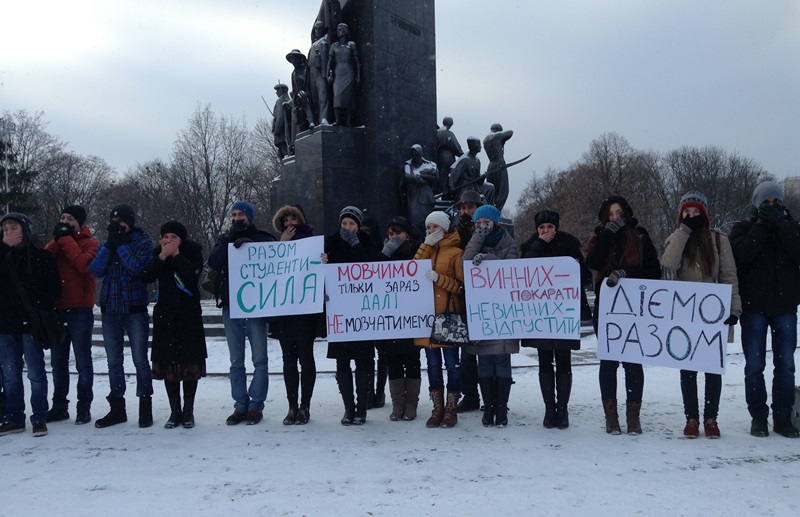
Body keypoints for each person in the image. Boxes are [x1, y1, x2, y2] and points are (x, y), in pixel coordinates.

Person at [661, 193, 741, 438]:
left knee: (712, 369)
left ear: (704, 214)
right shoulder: (676, 237)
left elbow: (729, 275)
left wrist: (734, 309)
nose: (692, 216)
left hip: (712, 314)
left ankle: (711, 418)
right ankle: (691, 418)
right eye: (687, 212)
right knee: (687, 369)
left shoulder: (718, 240)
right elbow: (669, 263)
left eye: (696, 212)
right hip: (686, 314)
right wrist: (684, 231)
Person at [729, 181, 800, 438]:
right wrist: (761, 227)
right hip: (753, 306)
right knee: (754, 364)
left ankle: (783, 417)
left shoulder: (792, 228)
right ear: (757, 204)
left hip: (784, 306)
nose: (771, 206)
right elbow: (742, 256)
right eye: (766, 202)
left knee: (786, 365)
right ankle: (758, 416)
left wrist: (782, 225)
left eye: (776, 202)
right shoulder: (743, 228)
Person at [584, 196, 660, 434]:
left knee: (633, 363)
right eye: (610, 214)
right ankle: (611, 417)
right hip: (607, 309)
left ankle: (633, 417)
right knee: (608, 362)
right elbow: (593, 263)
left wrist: (626, 273)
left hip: (633, 307)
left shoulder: (640, 238)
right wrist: (607, 234)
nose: (615, 218)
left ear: (627, 213)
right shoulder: (599, 238)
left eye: (619, 213)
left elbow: (654, 272)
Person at [520, 209, 591, 429]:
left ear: (556, 227)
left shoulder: (569, 245)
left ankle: (563, 409)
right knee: (544, 362)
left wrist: (577, 269)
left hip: (563, 314)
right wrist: (539, 244)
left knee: (563, 362)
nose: (546, 231)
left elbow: (587, 277)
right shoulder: (530, 247)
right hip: (540, 315)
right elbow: (525, 272)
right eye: (542, 227)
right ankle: (549, 410)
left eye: (549, 227)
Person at [208, 200, 276, 426]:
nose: (237, 218)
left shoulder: (263, 237)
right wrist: (229, 239)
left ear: (250, 216)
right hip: (231, 305)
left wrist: (251, 244)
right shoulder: (224, 238)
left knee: (260, 359)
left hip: (256, 305)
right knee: (236, 360)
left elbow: (275, 257)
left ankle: (256, 404)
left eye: (241, 215)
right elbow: (214, 262)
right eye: (233, 215)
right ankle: (240, 404)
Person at [89, 204, 155, 428]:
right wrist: (110, 245)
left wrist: (122, 245)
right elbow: (96, 270)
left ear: (130, 222)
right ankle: (117, 407)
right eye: (113, 222)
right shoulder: (108, 243)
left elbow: (137, 268)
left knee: (140, 360)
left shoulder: (143, 242)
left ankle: (145, 406)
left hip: (134, 309)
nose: (117, 226)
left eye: (121, 222)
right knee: (113, 362)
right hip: (110, 310)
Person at [141, 221, 207, 429]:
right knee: (168, 362)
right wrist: (161, 256)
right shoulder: (157, 255)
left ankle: (188, 410)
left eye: (173, 237)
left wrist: (176, 254)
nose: (168, 241)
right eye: (165, 237)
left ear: (181, 240)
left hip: (188, 315)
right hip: (166, 315)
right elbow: (147, 276)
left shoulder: (192, 252)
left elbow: (191, 276)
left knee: (189, 362)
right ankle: (174, 410)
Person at [0, 213, 61, 437]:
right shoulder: (2, 256)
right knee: (10, 375)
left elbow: (54, 289)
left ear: (25, 229)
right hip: (5, 326)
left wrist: (38, 308)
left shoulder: (40, 257)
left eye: (12, 227)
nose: (8, 232)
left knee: (36, 373)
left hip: (31, 324)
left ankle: (39, 417)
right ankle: (14, 418)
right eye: (4, 229)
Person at [462, 205, 520, 427]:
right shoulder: (476, 240)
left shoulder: (508, 242)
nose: (481, 226)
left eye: (485, 222)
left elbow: (511, 270)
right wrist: (478, 237)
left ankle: (501, 408)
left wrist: (488, 259)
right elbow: (465, 262)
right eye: (477, 224)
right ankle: (488, 408)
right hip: (483, 312)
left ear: (496, 222)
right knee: (484, 361)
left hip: (503, 312)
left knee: (502, 360)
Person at [43, 205, 99, 425]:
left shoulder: (92, 244)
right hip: (57, 309)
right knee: (58, 362)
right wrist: (58, 240)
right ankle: (59, 406)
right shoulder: (57, 244)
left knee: (83, 361)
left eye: (70, 219)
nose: (64, 222)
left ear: (79, 223)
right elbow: (43, 261)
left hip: (80, 309)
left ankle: (83, 406)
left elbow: (83, 264)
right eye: (62, 218)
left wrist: (65, 240)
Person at [323, 206, 374, 425]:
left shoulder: (367, 242)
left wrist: (356, 246)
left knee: (363, 361)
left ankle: (361, 409)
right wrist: (323, 262)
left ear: (358, 225)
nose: (347, 228)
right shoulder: (330, 242)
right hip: (339, 312)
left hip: (362, 311)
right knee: (342, 362)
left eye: (351, 224)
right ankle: (348, 408)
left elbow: (371, 267)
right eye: (344, 223)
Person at [413, 211, 464, 428]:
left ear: (444, 229)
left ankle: (451, 409)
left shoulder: (456, 253)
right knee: (433, 366)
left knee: (452, 365)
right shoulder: (424, 250)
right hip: (426, 319)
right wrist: (426, 245)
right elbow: (411, 270)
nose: (431, 231)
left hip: (448, 318)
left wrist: (439, 279)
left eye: (435, 227)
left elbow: (462, 287)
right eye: (428, 228)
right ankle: (437, 408)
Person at [270, 204, 319, 425]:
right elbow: (270, 274)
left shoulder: (312, 242)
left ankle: (305, 407)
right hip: (284, 312)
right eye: (285, 220)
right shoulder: (276, 245)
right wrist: (282, 248)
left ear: (300, 220)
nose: (290, 224)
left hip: (305, 311)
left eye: (293, 219)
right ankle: (292, 406)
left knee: (306, 358)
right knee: (288, 361)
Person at [376, 216, 423, 421]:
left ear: (407, 235)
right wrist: (386, 253)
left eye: (398, 233)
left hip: (412, 317)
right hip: (391, 319)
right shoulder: (383, 255)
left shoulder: (417, 253)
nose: (394, 237)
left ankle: (411, 404)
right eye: (390, 234)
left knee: (412, 360)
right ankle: (398, 404)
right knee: (393, 360)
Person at [453, 189, 484, 413]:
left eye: (470, 208)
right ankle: (470, 395)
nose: (466, 211)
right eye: (463, 208)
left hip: (486, 295)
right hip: (463, 295)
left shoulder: (488, 228)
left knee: (488, 351)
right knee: (467, 352)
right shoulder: (455, 232)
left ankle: (492, 394)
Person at [327, 23, 360, 127]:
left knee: (349, 97)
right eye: (337, 29)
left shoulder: (351, 45)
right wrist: (328, 74)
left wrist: (358, 76)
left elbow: (357, 62)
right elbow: (329, 61)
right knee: (337, 96)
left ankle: (348, 121)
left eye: (341, 29)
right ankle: (337, 120)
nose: (338, 31)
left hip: (349, 72)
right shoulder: (334, 46)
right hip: (338, 72)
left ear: (346, 31)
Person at [403, 144, 438, 241]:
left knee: (427, 219)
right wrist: (421, 178)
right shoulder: (408, 164)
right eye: (413, 154)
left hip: (426, 196)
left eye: (417, 154)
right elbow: (407, 176)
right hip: (413, 196)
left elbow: (435, 175)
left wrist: (422, 178)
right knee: (415, 219)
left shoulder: (429, 164)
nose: (415, 157)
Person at [286, 49, 316, 153]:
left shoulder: (304, 70)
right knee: (299, 117)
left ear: (299, 59)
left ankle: (312, 121)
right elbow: (294, 89)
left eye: (295, 59)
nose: (294, 61)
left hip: (306, 95)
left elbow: (308, 83)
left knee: (305, 103)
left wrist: (304, 92)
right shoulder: (293, 73)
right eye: (292, 59)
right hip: (297, 99)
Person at [449, 137, 494, 207]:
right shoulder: (465, 160)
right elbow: (453, 176)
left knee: (490, 187)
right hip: (465, 187)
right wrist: (452, 188)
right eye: (479, 144)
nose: (481, 146)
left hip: (475, 186)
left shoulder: (477, 160)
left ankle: (488, 208)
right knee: (479, 198)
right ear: (474, 146)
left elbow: (478, 179)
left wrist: (483, 177)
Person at [482, 123, 514, 210]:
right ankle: (496, 209)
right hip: (499, 164)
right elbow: (510, 132)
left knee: (492, 190)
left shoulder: (485, 140)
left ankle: (490, 207)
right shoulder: (496, 136)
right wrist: (502, 136)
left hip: (491, 165)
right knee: (503, 191)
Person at [308, 21, 332, 125]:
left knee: (323, 97)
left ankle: (324, 118)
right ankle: (318, 119)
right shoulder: (313, 44)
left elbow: (326, 60)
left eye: (319, 29)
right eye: (316, 29)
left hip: (321, 73)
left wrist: (325, 75)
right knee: (315, 99)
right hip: (312, 74)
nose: (317, 31)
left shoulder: (323, 42)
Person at [436, 116, 464, 198]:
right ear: (451, 124)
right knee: (448, 177)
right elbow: (456, 148)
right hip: (447, 157)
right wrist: (463, 156)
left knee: (442, 177)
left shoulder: (436, 132)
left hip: (438, 157)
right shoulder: (449, 134)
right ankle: (446, 196)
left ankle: (443, 193)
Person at [271, 83, 291, 159]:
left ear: (283, 90)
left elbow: (280, 117)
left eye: (278, 90)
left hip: (282, 133)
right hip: (287, 131)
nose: (276, 92)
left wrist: (277, 130)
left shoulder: (280, 100)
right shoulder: (289, 100)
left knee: (284, 154)